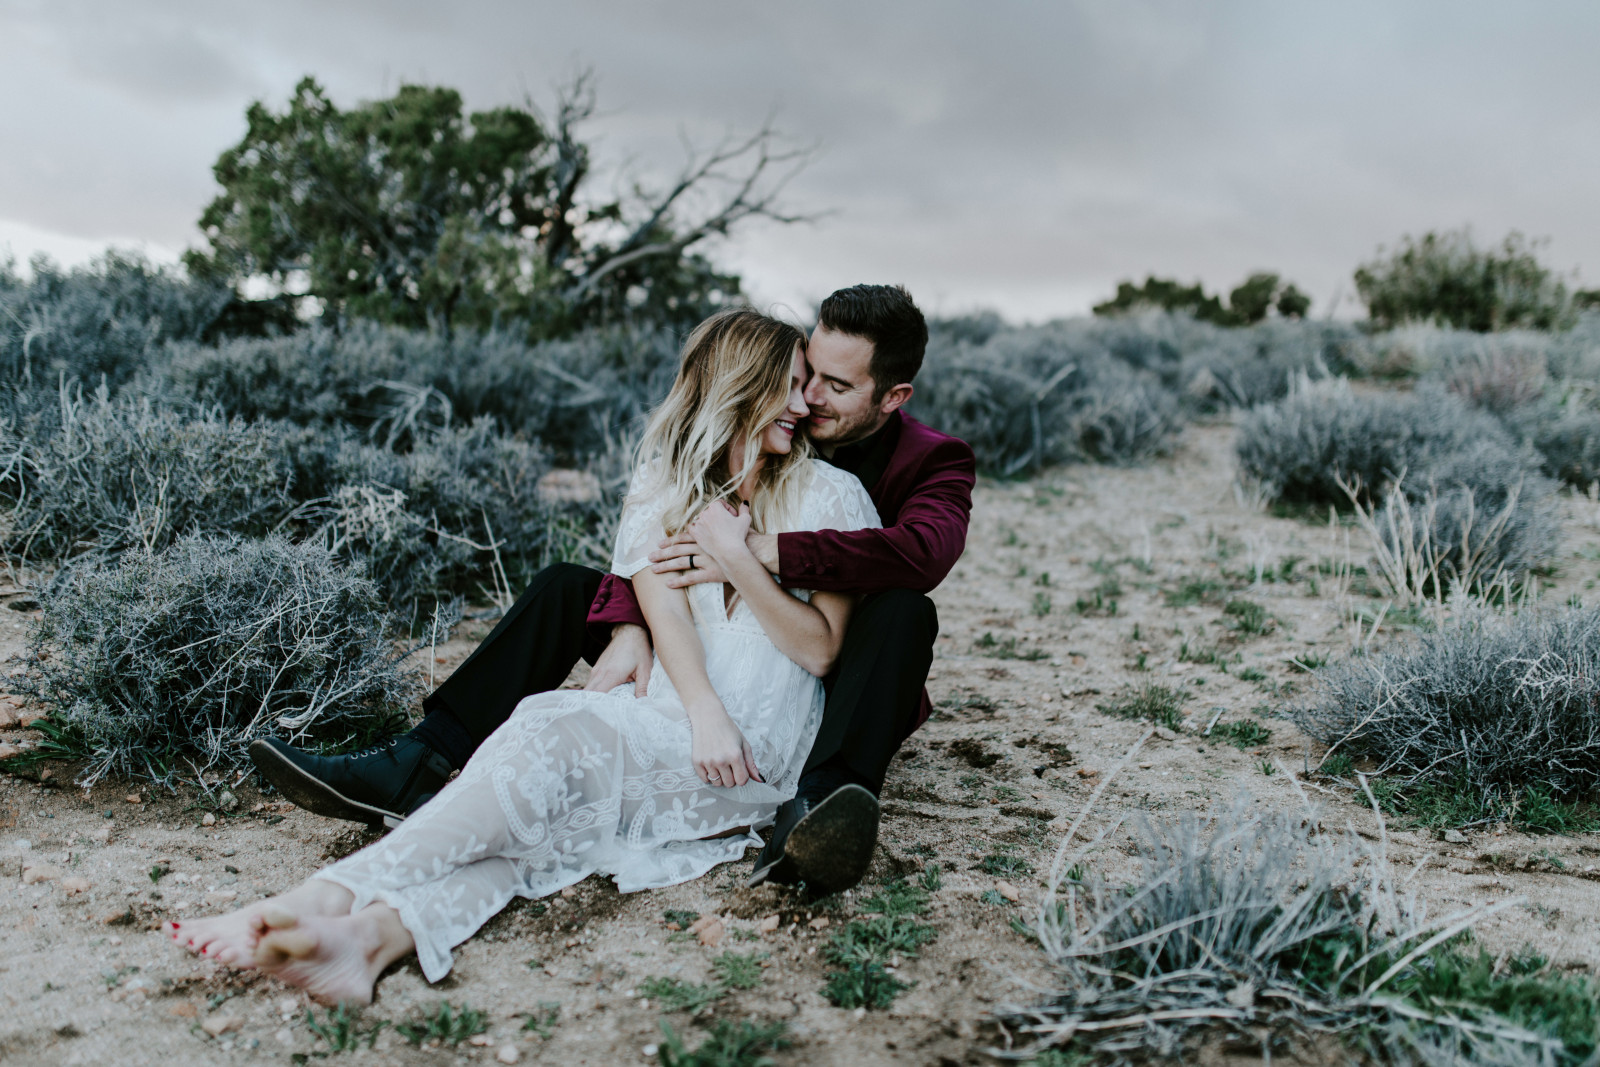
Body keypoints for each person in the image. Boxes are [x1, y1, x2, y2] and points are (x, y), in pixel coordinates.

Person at [168, 308, 882, 1002]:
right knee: (536, 819)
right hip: (676, 727)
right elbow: (665, 617)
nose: (803, 403)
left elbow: (819, 650)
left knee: (546, 738)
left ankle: (318, 893)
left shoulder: (832, 495)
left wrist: (736, 557)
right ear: (737, 386)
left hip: (750, 756)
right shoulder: (663, 487)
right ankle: (371, 938)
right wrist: (700, 712)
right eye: (786, 385)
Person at [250, 284, 975, 893]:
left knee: (906, 612)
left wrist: (751, 553)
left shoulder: (926, 461)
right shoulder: (772, 419)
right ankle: (418, 761)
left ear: (892, 396)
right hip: (713, 627)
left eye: (835, 387)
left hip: (838, 664)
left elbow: (921, 554)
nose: (809, 397)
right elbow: (660, 539)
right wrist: (630, 618)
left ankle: (823, 801)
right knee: (570, 586)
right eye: (803, 373)